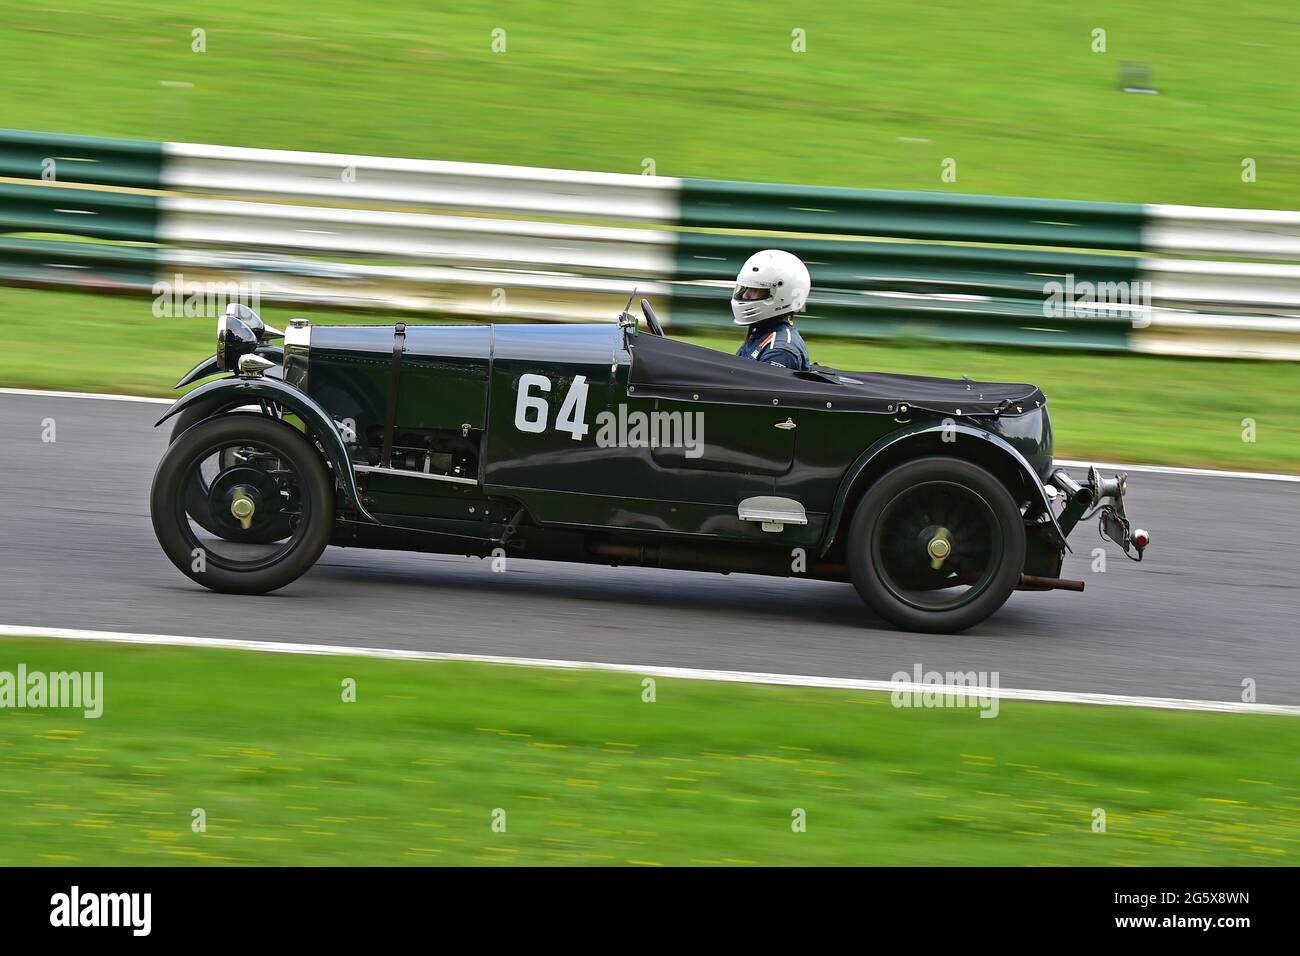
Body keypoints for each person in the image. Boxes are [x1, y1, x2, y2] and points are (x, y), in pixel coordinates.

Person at [732, 249, 812, 370]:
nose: (744, 296)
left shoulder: (780, 351)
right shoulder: (761, 334)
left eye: (754, 290)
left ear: (781, 296)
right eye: (745, 288)